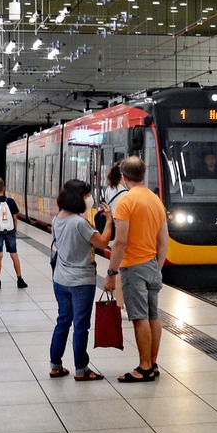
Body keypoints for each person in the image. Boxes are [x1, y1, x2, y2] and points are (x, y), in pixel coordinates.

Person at [105, 157, 169, 383]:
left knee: (139, 317)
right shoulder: (155, 200)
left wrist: (111, 273)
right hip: (152, 264)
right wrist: (157, 267)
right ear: (144, 174)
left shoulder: (126, 201)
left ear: (124, 176)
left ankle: (143, 368)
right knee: (153, 315)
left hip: (133, 266)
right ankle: (153, 363)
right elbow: (164, 240)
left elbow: (120, 242)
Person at [50, 179, 113, 382]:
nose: (89, 199)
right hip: (81, 281)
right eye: (86, 195)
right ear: (78, 198)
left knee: (63, 322)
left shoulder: (57, 219)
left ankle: (55, 365)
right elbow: (103, 243)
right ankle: (82, 369)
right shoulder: (79, 223)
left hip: (60, 279)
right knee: (81, 326)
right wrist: (110, 220)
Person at [0, 178, 25, 289]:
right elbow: (15, 218)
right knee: (14, 254)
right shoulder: (11, 201)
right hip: (10, 230)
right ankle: (20, 279)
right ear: (4, 188)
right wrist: (15, 231)